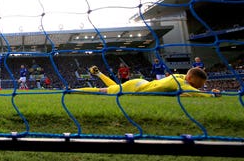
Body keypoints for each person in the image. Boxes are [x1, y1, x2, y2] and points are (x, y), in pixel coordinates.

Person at [78, 66, 220, 97]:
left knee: (116, 87)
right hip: (137, 87)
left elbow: (192, 91)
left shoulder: (180, 76)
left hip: (140, 83)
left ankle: (99, 73)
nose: (197, 88)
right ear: (190, 79)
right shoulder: (181, 83)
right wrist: (212, 95)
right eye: (197, 85)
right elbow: (191, 92)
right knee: (104, 91)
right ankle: (71, 91)